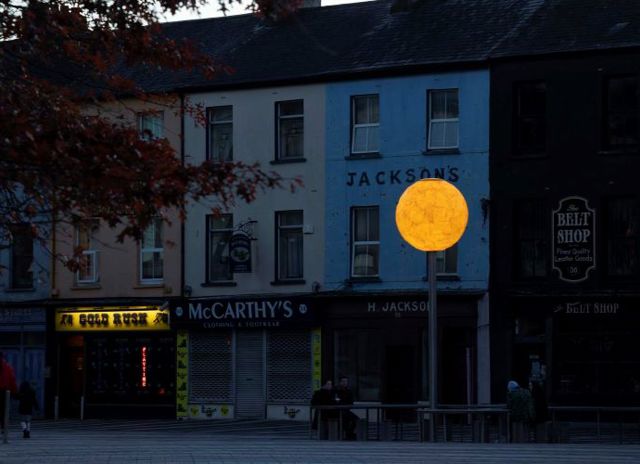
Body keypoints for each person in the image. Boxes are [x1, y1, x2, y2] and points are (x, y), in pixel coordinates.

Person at [334, 376, 358, 440]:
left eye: (346, 381)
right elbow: (336, 401)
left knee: (356, 419)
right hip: (337, 411)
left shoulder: (349, 391)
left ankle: (349, 433)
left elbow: (351, 402)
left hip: (346, 410)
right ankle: (348, 434)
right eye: (343, 381)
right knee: (344, 420)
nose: (345, 383)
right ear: (340, 382)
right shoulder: (336, 391)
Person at [0, 352, 18, 433]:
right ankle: (3, 427)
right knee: (4, 411)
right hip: (4, 392)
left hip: (4, 391)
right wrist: (15, 392)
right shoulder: (7, 367)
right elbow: (12, 380)